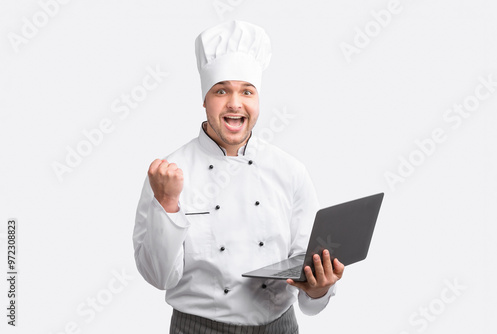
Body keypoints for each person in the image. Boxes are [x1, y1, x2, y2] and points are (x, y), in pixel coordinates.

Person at [133, 20, 345, 334]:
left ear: (257, 101)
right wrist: (167, 204)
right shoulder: (168, 174)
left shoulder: (290, 171)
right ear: (205, 99)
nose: (235, 102)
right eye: (222, 91)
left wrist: (318, 288)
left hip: (280, 327)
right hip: (198, 328)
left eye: (247, 91)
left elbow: (307, 267)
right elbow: (159, 277)